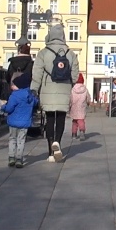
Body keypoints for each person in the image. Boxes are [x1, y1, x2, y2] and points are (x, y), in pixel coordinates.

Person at [31, 24, 80, 163]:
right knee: (61, 119)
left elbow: (37, 73)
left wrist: (34, 88)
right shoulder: (70, 53)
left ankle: (51, 153)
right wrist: (70, 83)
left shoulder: (43, 53)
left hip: (47, 90)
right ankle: (57, 141)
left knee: (50, 119)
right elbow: (75, 75)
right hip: (64, 89)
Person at [2, 71, 38, 168]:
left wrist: (2, 107)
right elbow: (35, 103)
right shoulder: (29, 95)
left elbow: (9, 108)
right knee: (21, 140)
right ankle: (19, 159)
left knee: (12, 139)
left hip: (13, 122)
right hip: (25, 123)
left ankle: (11, 158)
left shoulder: (14, 96)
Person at [70, 73, 90, 140]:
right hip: (82, 107)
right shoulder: (85, 89)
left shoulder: (72, 89)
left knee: (74, 122)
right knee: (81, 121)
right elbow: (88, 98)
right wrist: (88, 102)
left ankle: (74, 134)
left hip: (74, 108)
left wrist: (69, 106)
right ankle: (82, 132)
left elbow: (70, 99)